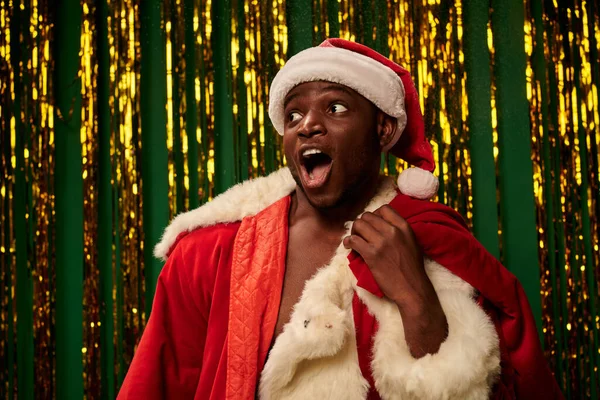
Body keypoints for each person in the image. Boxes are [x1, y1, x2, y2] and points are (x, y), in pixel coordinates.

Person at [118, 39, 563, 399]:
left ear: (383, 130)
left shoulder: (433, 239)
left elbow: (488, 387)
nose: (307, 125)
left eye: (335, 108)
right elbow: (155, 383)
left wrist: (414, 295)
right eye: (294, 114)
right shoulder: (210, 253)